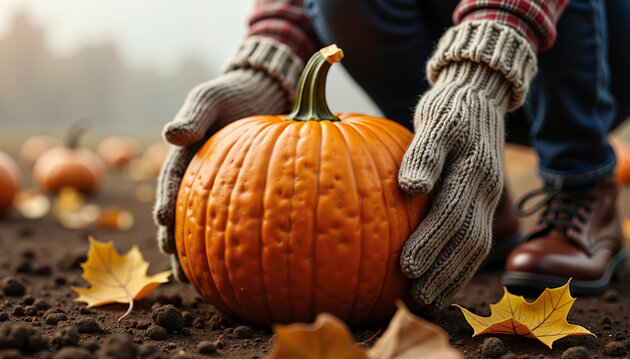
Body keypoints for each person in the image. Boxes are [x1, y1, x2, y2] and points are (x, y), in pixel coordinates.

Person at [154, 0, 628, 309]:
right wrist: (268, 62)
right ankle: (464, 190)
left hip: (594, 45)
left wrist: (481, 66)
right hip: (450, 45)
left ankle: (584, 185)